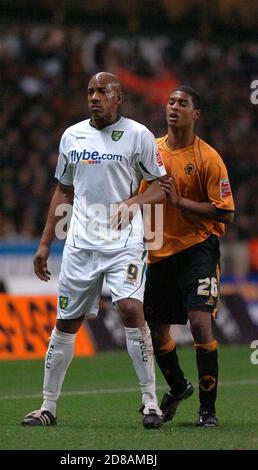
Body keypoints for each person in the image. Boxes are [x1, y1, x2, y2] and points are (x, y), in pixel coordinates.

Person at [21, 72, 167, 428]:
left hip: (125, 242)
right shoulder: (72, 136)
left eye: (103, 91)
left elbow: (163, 187)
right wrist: (45, 243)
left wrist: (134, 201)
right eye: (90, 91)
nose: (95, 97)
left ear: (119, 97)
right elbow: (63, 191)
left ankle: (150, 403)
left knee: (132, 310)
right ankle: (48, 407)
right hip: (81, 244)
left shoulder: (139, 135)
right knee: (66, 322)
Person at [140, 85, 235, 427]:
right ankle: (179, 387)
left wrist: (180, 203)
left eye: (183, 103)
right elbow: (142, 195)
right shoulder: (151, 151)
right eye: (170, 101)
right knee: (157, 329)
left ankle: (207, 410)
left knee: (199, 322)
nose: (174, 107)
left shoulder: (208, 158)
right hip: (159, 253)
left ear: (196, 114)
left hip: (198, 248)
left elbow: (226, 214)